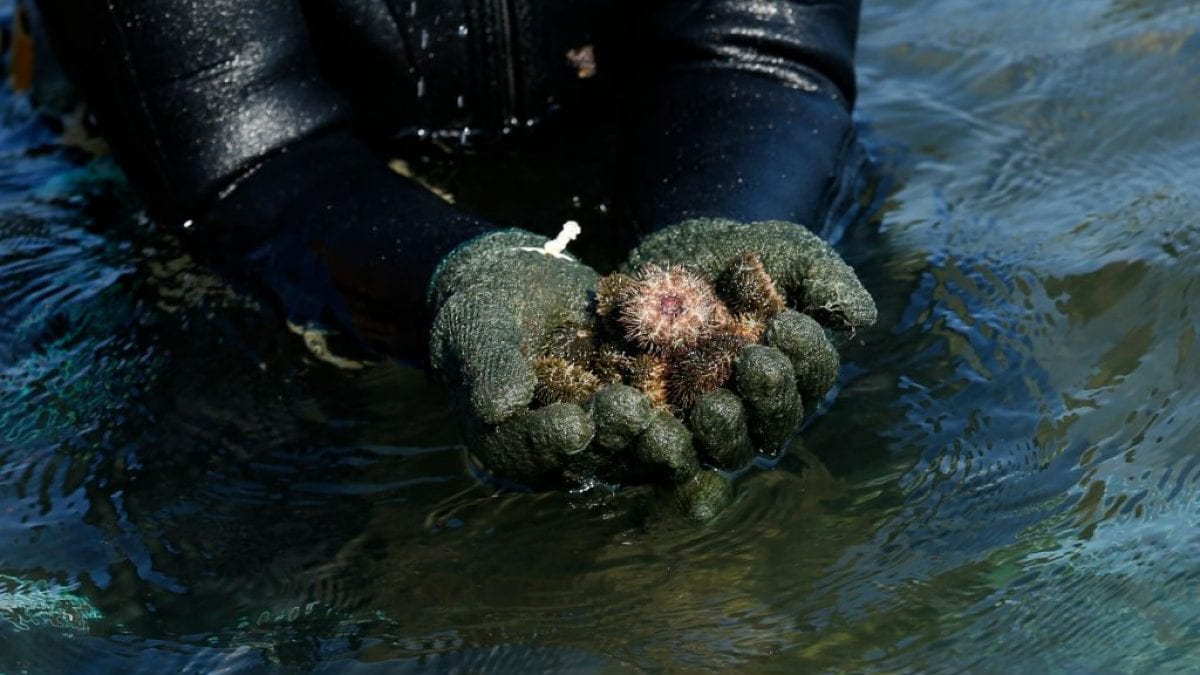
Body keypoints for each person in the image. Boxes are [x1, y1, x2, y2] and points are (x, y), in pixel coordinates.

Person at [26, 0, 876, 518]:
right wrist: (453, 273)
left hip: (666, 128)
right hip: (226, 181)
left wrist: (721, 222)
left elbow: (761, 43)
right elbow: (247, 152)